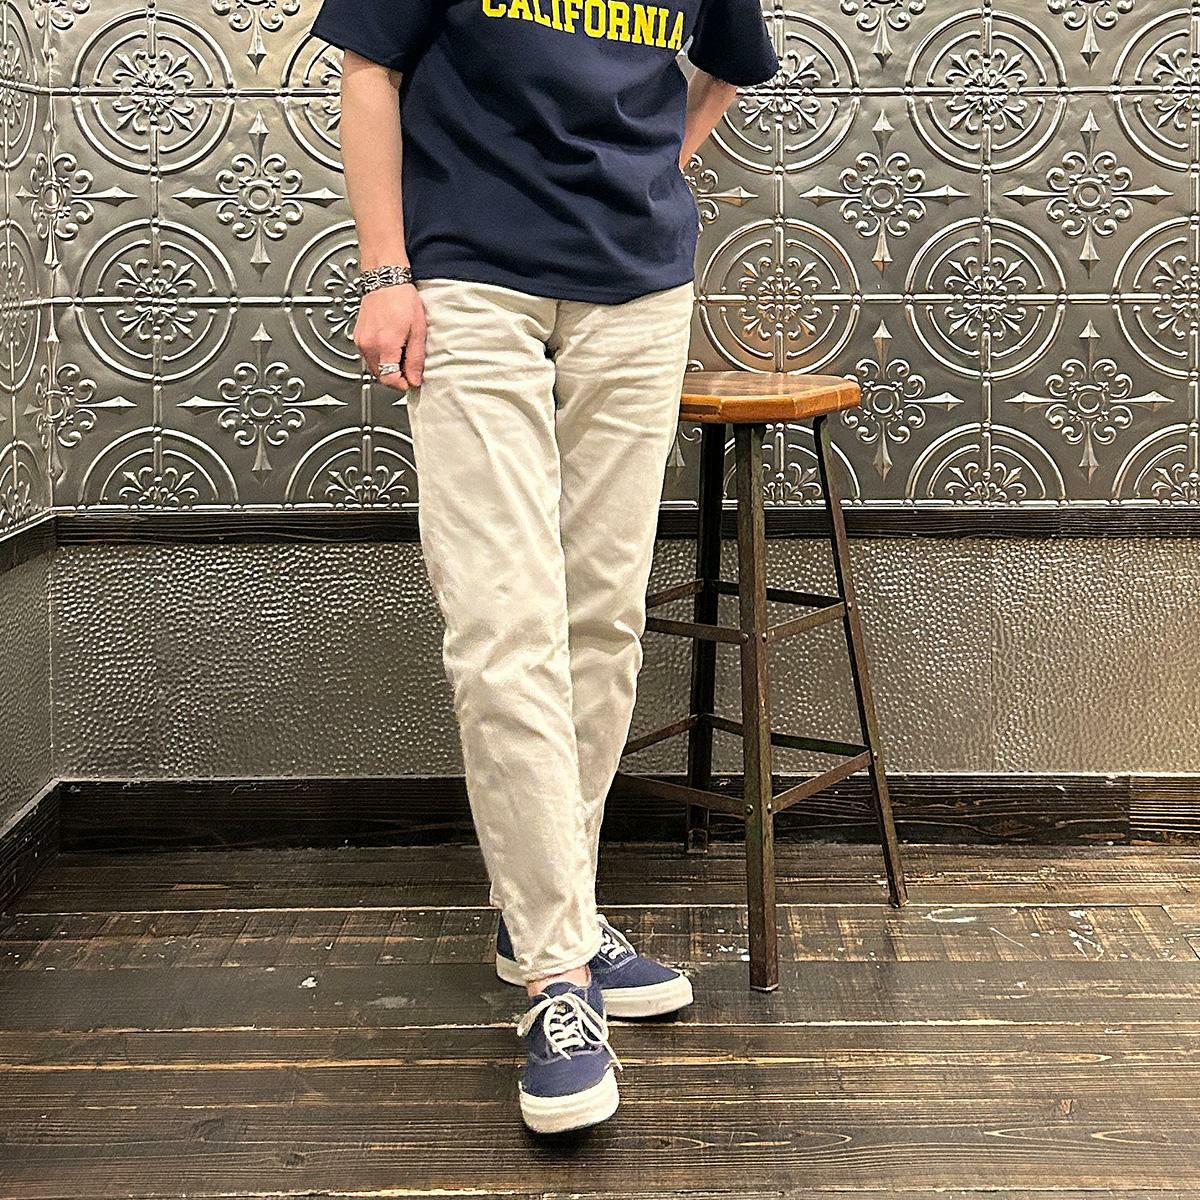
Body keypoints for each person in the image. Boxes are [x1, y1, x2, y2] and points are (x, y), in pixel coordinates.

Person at [307, 0, 779, 1135]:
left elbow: (727, 63)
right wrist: (385, 273)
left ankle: (544, 910)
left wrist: (651, 172)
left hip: (640, 292)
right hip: (471, 287)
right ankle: (559, 978)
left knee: (603, 620)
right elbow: (368, 69)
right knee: (502, 626)